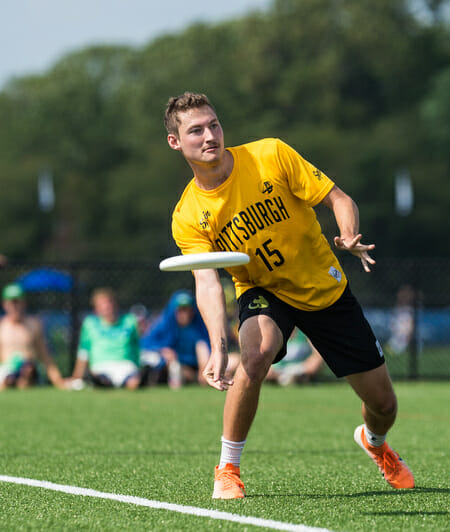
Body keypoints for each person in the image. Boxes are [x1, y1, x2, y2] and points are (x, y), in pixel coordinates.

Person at [164, 92, 414, 499]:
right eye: (196, 130)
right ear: (176, 142)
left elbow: (339, 198)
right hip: (262, 289)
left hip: (323, 289)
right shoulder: (188, 214)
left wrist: (348, 234)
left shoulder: (270, 154)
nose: (210, 136)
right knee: (256, 354)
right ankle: (227, 468)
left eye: (214, 125)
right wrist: (216, 345)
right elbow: (207, 282)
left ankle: (374, 441)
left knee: (384, 405)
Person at [71, 288, 141, 390]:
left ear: (115, 304)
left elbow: (137, 347)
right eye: (102, 305)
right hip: (101, 367)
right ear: (96, 309)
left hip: (126, 367)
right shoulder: (90, 324)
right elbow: (84, 351)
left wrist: (139, 368)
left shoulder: (130, 321)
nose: (107, 307)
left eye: (108, 303)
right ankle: (98, 381)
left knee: (133, 384)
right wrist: (76, 377)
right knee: (102, 382)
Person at [0, 283, 66, 390]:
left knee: (28, 368)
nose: (15, 306)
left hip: (29, 371)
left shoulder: (33, 325)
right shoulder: (2, 327)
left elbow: (45, 357)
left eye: (18, 302)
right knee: (9, 378)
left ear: (23, 303)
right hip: (7, 373)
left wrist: (59, 382)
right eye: (12, 302)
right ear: (5, 304)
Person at [140, 290, 212, 388]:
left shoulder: (199, 327)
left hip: (198, 365)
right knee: (174, 366)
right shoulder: (165, 324)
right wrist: (162, 350)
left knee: (234, 360)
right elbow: (145, 343)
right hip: (175, 365)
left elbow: (206, 348)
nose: (184, 314)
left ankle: (204, 377)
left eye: (187, 309)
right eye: (181, 310)